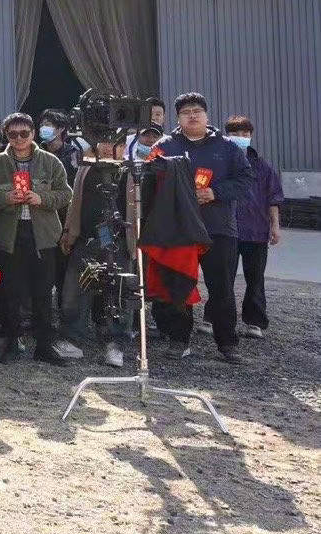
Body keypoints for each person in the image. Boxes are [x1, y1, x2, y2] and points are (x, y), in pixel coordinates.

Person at [153, 93, 254, 362]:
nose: (192, 116)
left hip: (217, 228)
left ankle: (227, 344)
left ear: (207, 115)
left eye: (197, 111)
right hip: (178, 229)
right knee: (179, 285)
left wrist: (215, 192)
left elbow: (245, 180)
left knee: (221, 287)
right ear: (178, 118)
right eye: (186, 112)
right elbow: (150, 182)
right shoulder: (165, 146)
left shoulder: (227, 147)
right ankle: (179, 340)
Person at [0, 113, 80, 364]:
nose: (19, 139)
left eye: (24, 133)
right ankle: (12, 341)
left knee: (43, 291)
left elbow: (66, 194)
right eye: (13, 134)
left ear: (33, 133)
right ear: (6, 136)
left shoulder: (50, 161)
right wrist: (5, 198)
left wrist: (42, 198)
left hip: (43, 235)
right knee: (10, 291)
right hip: (8, 235)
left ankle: (44, 345)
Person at [59, 141, 136, 368]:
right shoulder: (86, 168)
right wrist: (69, 233)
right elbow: (75, 203)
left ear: (123, 146)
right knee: (75, 291)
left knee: (119, 293)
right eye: (104, 142)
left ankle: (116, 344)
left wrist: (136, 242)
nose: (108, 148)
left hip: (118, 242)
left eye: (116, 143)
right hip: (87, 238)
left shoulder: (130, 171)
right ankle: (72, 339)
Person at [224, 115, 283, 339]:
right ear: (227, 136)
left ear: (251, 136)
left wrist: (275, 226)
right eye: (235, 133)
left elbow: (273, 198)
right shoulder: (221, 163)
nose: (241, 137)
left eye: (245, 133)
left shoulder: (262, 166)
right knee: (222, 277)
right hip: (226, 230)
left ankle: (255, 321)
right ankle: (216, 319)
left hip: (256, 230)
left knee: (255, 278)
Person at [38, 110, 84, 188]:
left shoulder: (73, 154)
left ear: (61, 128)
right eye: (41, 125)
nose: (43, 128)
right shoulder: (37, 152)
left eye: (47, 125)